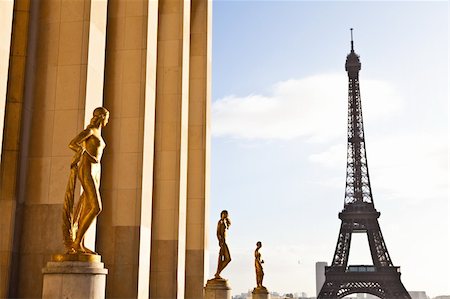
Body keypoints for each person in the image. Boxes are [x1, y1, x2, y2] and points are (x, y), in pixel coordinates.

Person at [63, 107, 109, 254]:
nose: (107, 120)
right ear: (102, 117)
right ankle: (76, 242)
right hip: (87, 168)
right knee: (96, 207)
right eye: (107, 117)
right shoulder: (89, 131)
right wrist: (87, 155)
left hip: (96, 171)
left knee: (87, 206)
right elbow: (73, 144)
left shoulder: (99, 134)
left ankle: (80, 242)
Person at [214, 210, 231, 278]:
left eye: (226, 214)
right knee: (225, 258)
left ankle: (218, 272)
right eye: (224, 214)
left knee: (227, 259)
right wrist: (220, 241)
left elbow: (228, 226)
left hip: (224, 242)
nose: (226, 215)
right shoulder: (220, 222)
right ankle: (218, 273)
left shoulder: (225, 222)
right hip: (222, 242)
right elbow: (218, 233)